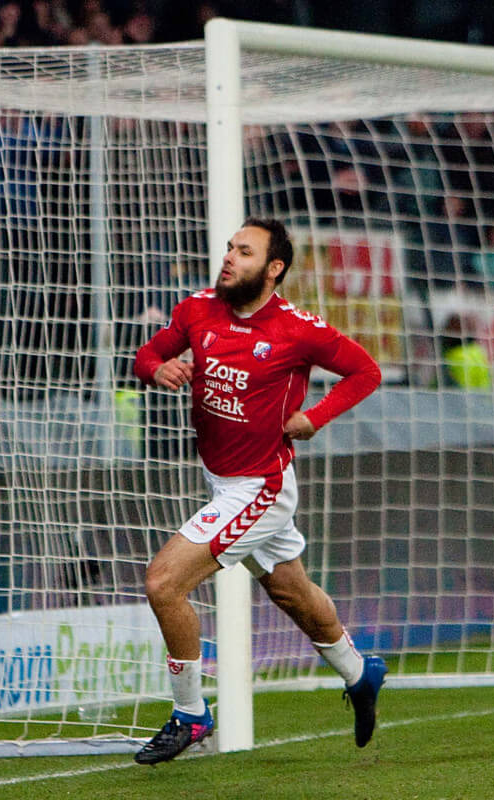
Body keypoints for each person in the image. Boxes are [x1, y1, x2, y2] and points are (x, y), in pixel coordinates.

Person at [132, 218, 387, 764]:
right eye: (229, 248)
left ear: (274, 269)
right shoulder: (197, 309)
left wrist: (315, 417)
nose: (228, 258)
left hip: (260, 487)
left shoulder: (299, 329)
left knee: (162, 583)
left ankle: (191, 715)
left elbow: (365, 372)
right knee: (292, 593)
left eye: (243, 252)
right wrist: (160, 369)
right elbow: (146, 356)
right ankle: (361, 674)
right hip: (223, 479)